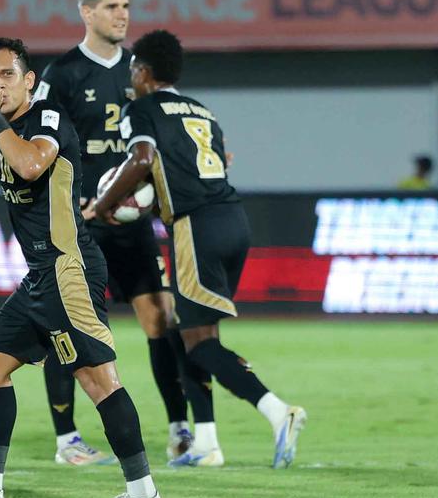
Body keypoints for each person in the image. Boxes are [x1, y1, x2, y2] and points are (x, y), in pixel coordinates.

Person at [0, 11, 163, 498]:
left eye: (7, 75)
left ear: (29, 80)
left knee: (98, 380)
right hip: (39, 276)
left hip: (69, 269)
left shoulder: (47, 116)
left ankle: (143, 494)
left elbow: (30, 164)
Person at [94, 29, 307, 469]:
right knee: (192, 332)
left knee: (197, 344)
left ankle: (276, 410)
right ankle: (207, 444)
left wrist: (102, 205)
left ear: (144, 72)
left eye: (133, 69)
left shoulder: (142, 108)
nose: (131, 77)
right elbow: (215, 162)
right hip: (233, 220)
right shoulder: (202, 110)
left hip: (197, 226)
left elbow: (139, 159)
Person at [33, 0, 197, 466]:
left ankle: (179, 429)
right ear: (87, 13)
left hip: (132, 222)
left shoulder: (140, 72)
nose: (122, 14)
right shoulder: (61, 75)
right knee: (71, 327)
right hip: (79, 222)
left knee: (161, 318)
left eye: (125, 5)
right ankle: (67, 441)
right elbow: (39, 145)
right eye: (110, 6)